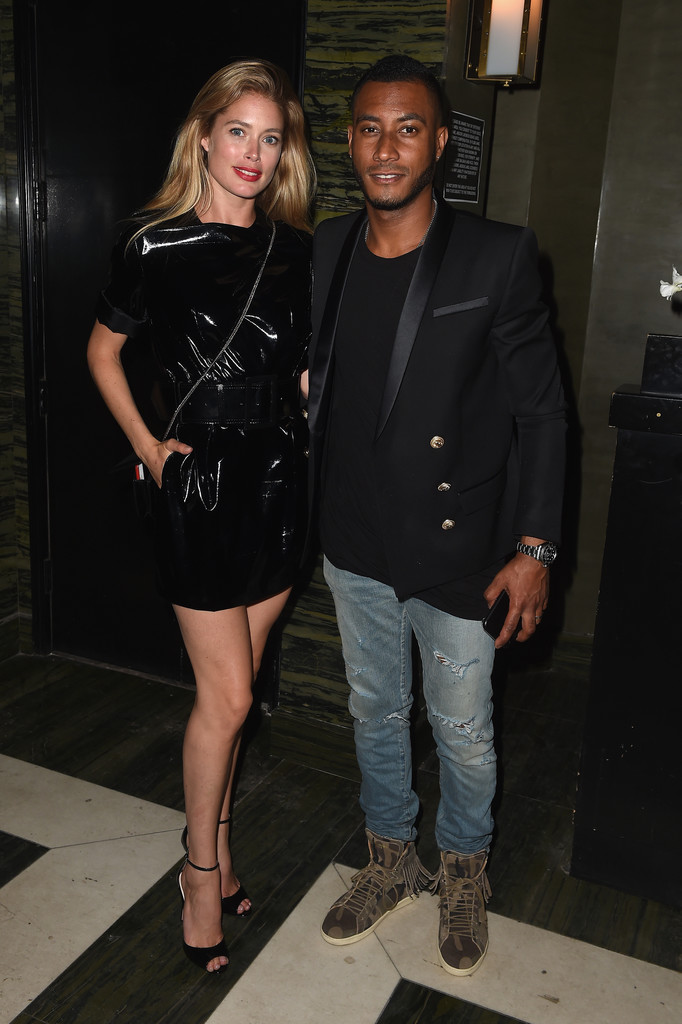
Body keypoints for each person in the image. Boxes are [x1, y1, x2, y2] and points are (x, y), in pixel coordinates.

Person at [307, 55, 566, 976]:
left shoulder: (495, 256)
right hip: (355, 544)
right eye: (370, 128)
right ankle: (390, 857)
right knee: (377, 713)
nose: (386, 147)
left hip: (462, 554)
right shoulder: (328, 246)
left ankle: (463, 869)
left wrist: (536, 547)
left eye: (408, 128)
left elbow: (542, 411)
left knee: (462, 732)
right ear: (349, 140)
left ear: (441, 142)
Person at [87, 60, 315, 974]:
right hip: (199, 485)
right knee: (226, 698)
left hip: (281, 482)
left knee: (239, 693)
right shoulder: (152, 245)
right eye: (239, 132)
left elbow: (299, 372)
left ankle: (216, 859)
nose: (255, 154)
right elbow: (103, 354)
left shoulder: (299, 250)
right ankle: (198, 871)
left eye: (272, 138)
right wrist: (148, 447)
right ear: (206, 134)